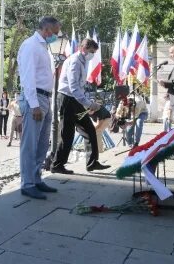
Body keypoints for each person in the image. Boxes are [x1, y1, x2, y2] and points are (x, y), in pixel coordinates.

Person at [17, 16, 62, 199]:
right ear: (47, 30)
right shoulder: (31, 46)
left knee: (42, 143)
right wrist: (34, 105)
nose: (57, 36)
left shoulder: (44, 46)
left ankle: (36, 179)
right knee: (30, 144)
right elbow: (28, 78)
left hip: (45, 98)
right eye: (56, 32)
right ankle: (27, 183)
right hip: (34, 99)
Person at [51, 38, 110, 174]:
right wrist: (89, 103)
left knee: (89, 130)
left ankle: (92, 162)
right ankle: (57, 164)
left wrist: (87, 102)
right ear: (83, 49)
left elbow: (79, 88)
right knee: (67, 133)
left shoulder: (82, 61)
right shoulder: (75, 61)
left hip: (75, 100)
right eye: (91, 52)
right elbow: (73, 87)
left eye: (94, 52)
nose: (92, 55)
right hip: (67, 99)